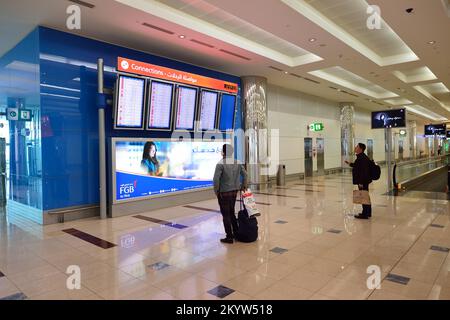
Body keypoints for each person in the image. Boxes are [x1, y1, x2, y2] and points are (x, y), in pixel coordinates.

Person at [213, 144, 248, 244]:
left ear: (223, 152)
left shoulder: (220, 164)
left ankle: (229, 237)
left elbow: (216, 180)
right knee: (232, 212)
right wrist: (243, 185)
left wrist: (216, 191)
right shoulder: (237, 162)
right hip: (234, 192)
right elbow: (245, 174)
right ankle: (236, 232)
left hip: (224, 193)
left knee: (226, 215)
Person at [345, 143, 372, 219]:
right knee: (365, 196)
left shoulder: (361, 158)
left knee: (363, 196)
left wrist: (360, 182)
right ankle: (367, 213)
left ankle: (365, 214)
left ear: (360, 149)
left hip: (363, 181)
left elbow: (363, 171)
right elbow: (358, 166)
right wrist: (350, 164)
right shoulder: (362, 157)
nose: (355, 147)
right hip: (364, 181)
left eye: (356, 147)